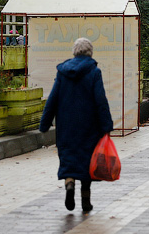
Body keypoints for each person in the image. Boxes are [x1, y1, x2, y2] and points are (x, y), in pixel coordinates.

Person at [39, 37, 114, 213]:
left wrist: (44, 123)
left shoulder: (62, 72)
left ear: (74, 52)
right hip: (89, 127)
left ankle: (69, 184)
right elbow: (100, 100)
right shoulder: (94, 72)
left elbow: (52, 99)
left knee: (69, 159)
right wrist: (106, 126)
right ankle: (86, 201)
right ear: (90, 52)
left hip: (66, 126)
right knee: (87, 162)